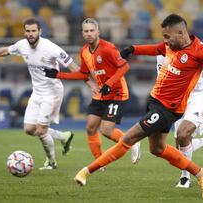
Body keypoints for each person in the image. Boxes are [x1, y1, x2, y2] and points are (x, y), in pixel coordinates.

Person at [72, 14, 203, 199]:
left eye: (168, 36)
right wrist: (133, 49)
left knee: (129, 138)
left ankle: (86, 171)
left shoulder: (199, 51)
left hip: (167, 109)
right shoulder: (171, 45)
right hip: (155, 102)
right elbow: (156, 49)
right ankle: (201, 173)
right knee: (157, 149)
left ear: (180, 32)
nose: (165, 40)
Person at [0, 18, 92, 170]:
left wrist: (90, 85)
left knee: (41, 130)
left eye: (34, 31)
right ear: (24, 32)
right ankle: (63, 137)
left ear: (40, 32)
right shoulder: (22, 45)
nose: (31, 34)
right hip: (37, 93)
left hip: (52, 93)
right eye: (28, 31)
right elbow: (6, 51)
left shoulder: (50, 47)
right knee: (29, 129)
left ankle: (51, 162)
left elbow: (73, 66)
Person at [43, 18, 141, 165]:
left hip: (117, 94)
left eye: (92, 30)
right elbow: (82, 74)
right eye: (86, 31)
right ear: (82, 34)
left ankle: (132, 142)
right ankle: (98, 161)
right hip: (101, 94)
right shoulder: (84, 52)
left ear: (98, 32)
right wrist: (58, 74)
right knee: (90, 127)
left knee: (106, 130)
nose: (89, 33)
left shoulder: (108, 48)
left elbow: (125, 67)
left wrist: (109, 83)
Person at [157, 55, 203, 188]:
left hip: (199, 94)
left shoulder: (200, 49)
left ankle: (185, 178)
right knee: (179, 146)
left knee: (182, 134)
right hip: (178, 96)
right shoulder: (161, 53)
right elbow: (161, 77)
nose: (167, 40)